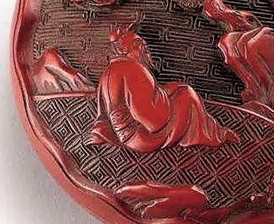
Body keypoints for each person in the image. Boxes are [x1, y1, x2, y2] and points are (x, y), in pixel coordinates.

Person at [86, 26, 238, 152]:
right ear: (127, 48)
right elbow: (154, 121)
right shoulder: (133, 69)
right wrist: (166, 96)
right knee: (186, 93)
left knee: (176, 89)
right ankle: (210, 137)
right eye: (140, 44)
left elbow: (105, 114)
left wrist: (163, 92)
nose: (146, 50)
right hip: (141, 139)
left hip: (122, 135)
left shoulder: (109, 71)